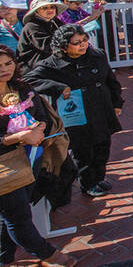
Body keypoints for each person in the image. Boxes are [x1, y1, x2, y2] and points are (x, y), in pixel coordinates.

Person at [25, 24, 123, 199]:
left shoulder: (97, 55)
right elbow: (29, 79)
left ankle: (98, 178)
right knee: (83, 151)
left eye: (84, 40)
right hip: (77, 115)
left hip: (101, 109)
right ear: (63, 46)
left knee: (103, 146)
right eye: (76, 43)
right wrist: (57, 87)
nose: (83, 44)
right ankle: (88, 183)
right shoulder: (52, 64)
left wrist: (117, 103)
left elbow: (111, 80)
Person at [0, 46, 75, 267]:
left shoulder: (22, 88)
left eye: (8, 63)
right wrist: (18, 137)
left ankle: (4, 257)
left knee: (11, 213)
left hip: (31, 158)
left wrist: (38, 129)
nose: (4, 69)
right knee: (19, 218)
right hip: (5, 165)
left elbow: (41, 114)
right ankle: (51, 256)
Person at [16, 0, 65, 75]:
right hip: (34, 69)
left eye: (52, 7)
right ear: (36, 11)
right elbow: (48, 47)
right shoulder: (32, 26)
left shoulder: (55, 22)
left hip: (53, 63)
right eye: (44, 8)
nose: (49, 10)